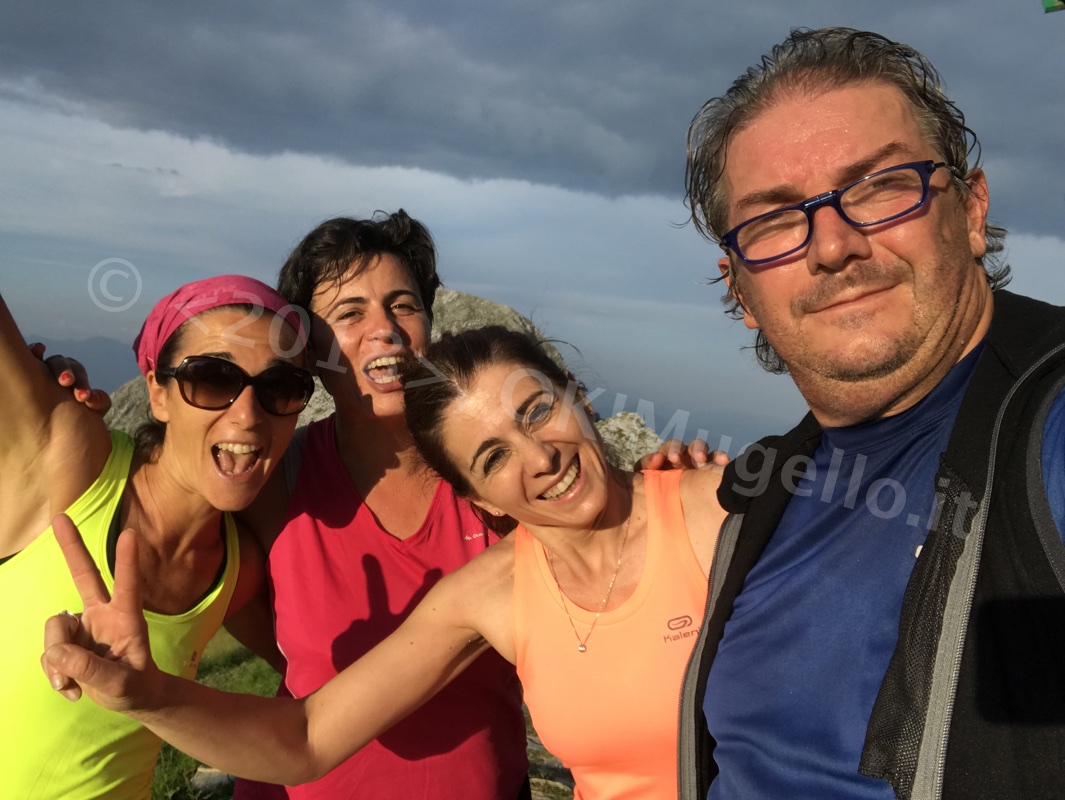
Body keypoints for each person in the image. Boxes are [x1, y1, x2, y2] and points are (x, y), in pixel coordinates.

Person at [42, 325, 727, 800]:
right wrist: (153, 697)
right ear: (470, 494)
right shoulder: (492, 593)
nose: (539, 458)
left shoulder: (714, 510)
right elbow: (306, 739)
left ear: (575, 392)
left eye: (539, 410)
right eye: (491, 458)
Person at [676, 26, 1065, 800]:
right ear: (739, 290)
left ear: (969, 209)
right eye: (775, 220)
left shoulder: (1046, 423)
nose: (831, 245)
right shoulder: (767, 493)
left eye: (879, 186)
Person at [1, 275, 313, 799]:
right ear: (157, 394)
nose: (248, 414)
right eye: (212, 378)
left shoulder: (237, 571)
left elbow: (314, 685)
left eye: (280, 388)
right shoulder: (74, 461)